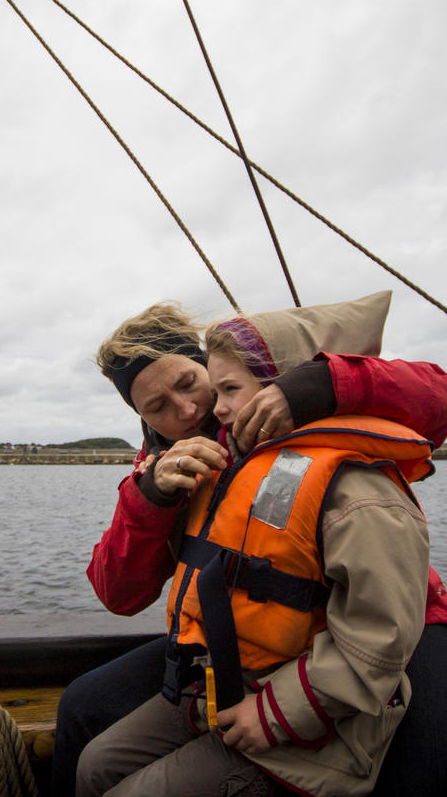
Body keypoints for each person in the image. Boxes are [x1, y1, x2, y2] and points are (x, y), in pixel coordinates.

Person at [50, 293, 447, 797]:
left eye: (191, 383)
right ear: (145, 420)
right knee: (82, 712)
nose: (189, 409)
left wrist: (320, 384)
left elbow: (438, 401)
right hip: (240, 648)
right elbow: (118, 595)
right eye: (157, 408)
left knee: (424, 766)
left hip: (394, 621)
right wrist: (150, 498)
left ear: (212, 370)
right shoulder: (161, 466)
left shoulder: (304, 412)